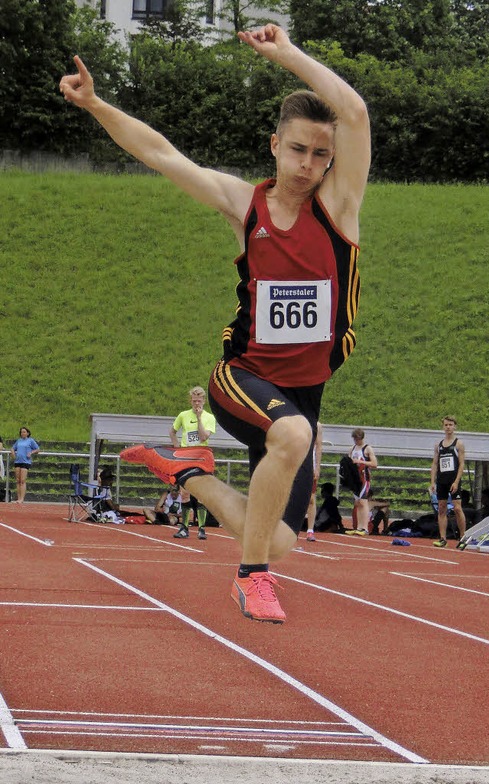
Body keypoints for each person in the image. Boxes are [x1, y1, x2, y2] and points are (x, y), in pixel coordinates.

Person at [60, 23, 370, 624]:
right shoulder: (244, 205)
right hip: (243, 379)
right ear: (274, 144)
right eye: (298, 149)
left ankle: (189, 475)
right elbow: (161, 154)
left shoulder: (339, 210)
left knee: (279, 536)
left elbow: (354, 112)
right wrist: (96, 104)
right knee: (296, 441)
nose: (309, 165)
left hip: (303, 394)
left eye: (322, 154)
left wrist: (287, 55)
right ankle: (252, 579)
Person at [169, 386, 217, 540]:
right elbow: (172, 431)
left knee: (201, 494)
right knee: (184, 493)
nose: (196, 403)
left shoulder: (209, 417)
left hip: (201, 458)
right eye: (194, 401)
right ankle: (184, 527)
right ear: (191, 400)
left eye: (199, 401)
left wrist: (198, 418)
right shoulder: (183, 415)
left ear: (203, 401)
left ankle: (202, 528)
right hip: (185, 458)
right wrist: (176, 446)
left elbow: (203, 437)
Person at [429, 416, 467, 548]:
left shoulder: (458, 444)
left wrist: (456, 481)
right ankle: (443, 538)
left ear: (455, 426)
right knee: (441, 508)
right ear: (443, 427)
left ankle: (462, 537)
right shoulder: (438, 445)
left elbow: (461, 464)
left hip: (453, 480)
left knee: (457, 508)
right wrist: (432, 482)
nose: (448, 427)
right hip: (442, 480)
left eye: (450, 425)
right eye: (446, 425)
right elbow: (434, 464)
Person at [345, 428, 377, 536]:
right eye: (354, 439)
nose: (356, 441)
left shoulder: (367, 449)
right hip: (355, 479)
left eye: (357, 439)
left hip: (364, 477)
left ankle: (365, 527)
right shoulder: (352, 449)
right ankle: (359, 527)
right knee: (358, 503)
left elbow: (374, 464)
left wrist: (359, 461)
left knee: (363, 502)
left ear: (361, 438)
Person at [304, 422, 323, 542]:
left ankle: (310, 530)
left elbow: (319, 446)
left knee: (311, 499)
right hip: (295, 464)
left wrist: (317, 467)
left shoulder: (317, 425)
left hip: (309, 466)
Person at [10, 427, 40, 504]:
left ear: (27, 433)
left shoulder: (30, 440)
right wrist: (13, 452)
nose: (22, 433)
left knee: (22, 480)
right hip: (18, 461)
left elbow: (37, 449)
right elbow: (13, 448)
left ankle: (22, 499)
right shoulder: (18, 441)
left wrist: (31, 453)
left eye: (24, 432)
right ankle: (18, 498)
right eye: (21, 432)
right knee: (18, 480)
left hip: (25, 461)